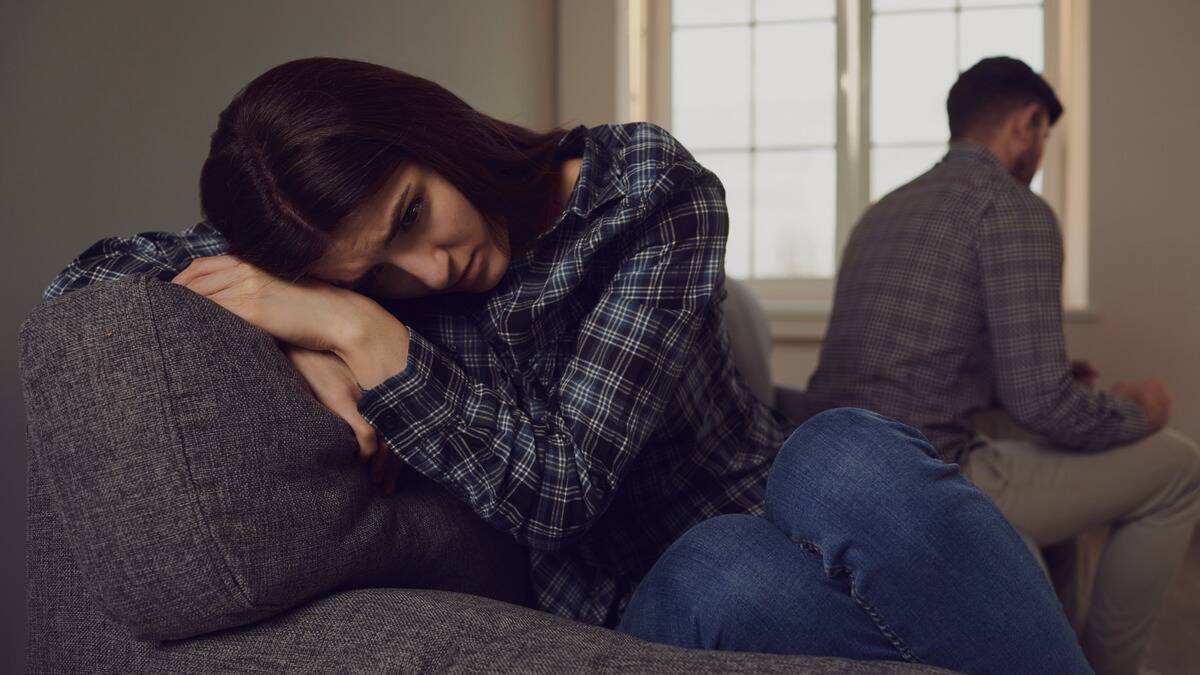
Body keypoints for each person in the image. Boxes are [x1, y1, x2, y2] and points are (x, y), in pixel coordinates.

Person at [45, 57, 1091, 673]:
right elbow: (85, 280)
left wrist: (347, 321)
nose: (430, 270)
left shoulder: (645, 193)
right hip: (642, 601)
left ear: (427, 128)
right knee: (719, 564)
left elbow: (568, 464)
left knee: (845, 451)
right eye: (377, 274)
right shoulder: (366, 297)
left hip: (776, 519)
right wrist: (332, 325)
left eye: (412, 215)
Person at [804, 56, 1200, 675]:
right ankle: (1105, 667)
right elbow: (1042, 403)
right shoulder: (1012, 208)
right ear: (1028, 122)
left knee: (1057, 443)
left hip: (833, 469)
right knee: (1180, 466)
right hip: (931, 472)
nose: (1040, 153)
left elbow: (922, 363)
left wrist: (1049, 378)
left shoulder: (881, 212)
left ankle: (1059, 647)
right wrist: (1138, 412)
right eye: (1044, 136)